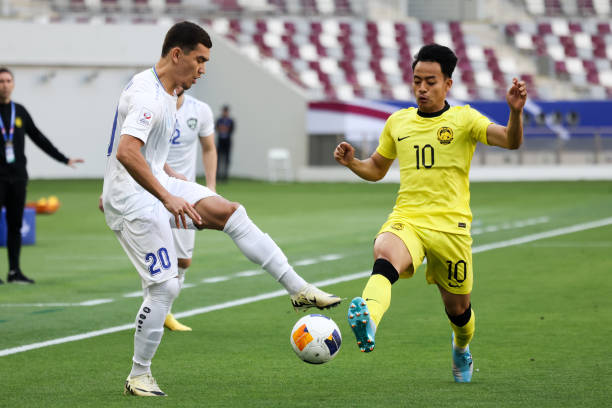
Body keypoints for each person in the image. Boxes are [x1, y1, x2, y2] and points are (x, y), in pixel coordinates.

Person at [101, 21, 340, 397]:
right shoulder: (149, 95)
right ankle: (138, 376)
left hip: (156, 183)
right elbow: (127, 152)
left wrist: (168, 174)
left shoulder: (165, 89)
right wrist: (167, 195)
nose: (203, 69)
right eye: (199, 60)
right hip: (132, 201)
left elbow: (145, 152)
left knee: (231, 212)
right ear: (176, 54)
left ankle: (298, 289)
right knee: (164, 287)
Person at [334, 44, 526, 383]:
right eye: (417, 81)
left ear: (447, 85)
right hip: (408, 218)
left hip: (452, 228)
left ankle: (461, 348)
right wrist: (353, 162)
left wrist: (515, 112)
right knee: (384, 253)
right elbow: (377, 169)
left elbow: (510, 141)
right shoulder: (398, 122)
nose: (422, 88)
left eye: (431, 82)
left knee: (458, 310)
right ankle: (370, 321)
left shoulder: (466, 119)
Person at [0, 67, 83, 285]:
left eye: (8, 81)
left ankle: (14, 271)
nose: (5, 85)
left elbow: (38, 137)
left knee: (15, 225)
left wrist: (63, 159)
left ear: (13, 84)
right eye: (1, 81)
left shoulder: (19, 112)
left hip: (17, 177)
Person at [163, 88, 217, 331]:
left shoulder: (200, 110)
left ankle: (164, 311)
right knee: (157, 255)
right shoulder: (153, 105)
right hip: (152, 189)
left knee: (183, 261)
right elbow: (135, 148)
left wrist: (210, 188)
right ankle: (157, 311)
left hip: (185, 193)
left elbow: (208, 148)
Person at [215, 105, 234, 181]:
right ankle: (218, 175)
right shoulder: (219, 120)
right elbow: (216, 128)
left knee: (227, 159)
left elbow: (232, 130)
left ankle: (225, 176)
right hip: (220, 141)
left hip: (227, 142)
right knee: (218, 159)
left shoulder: (230, 121)